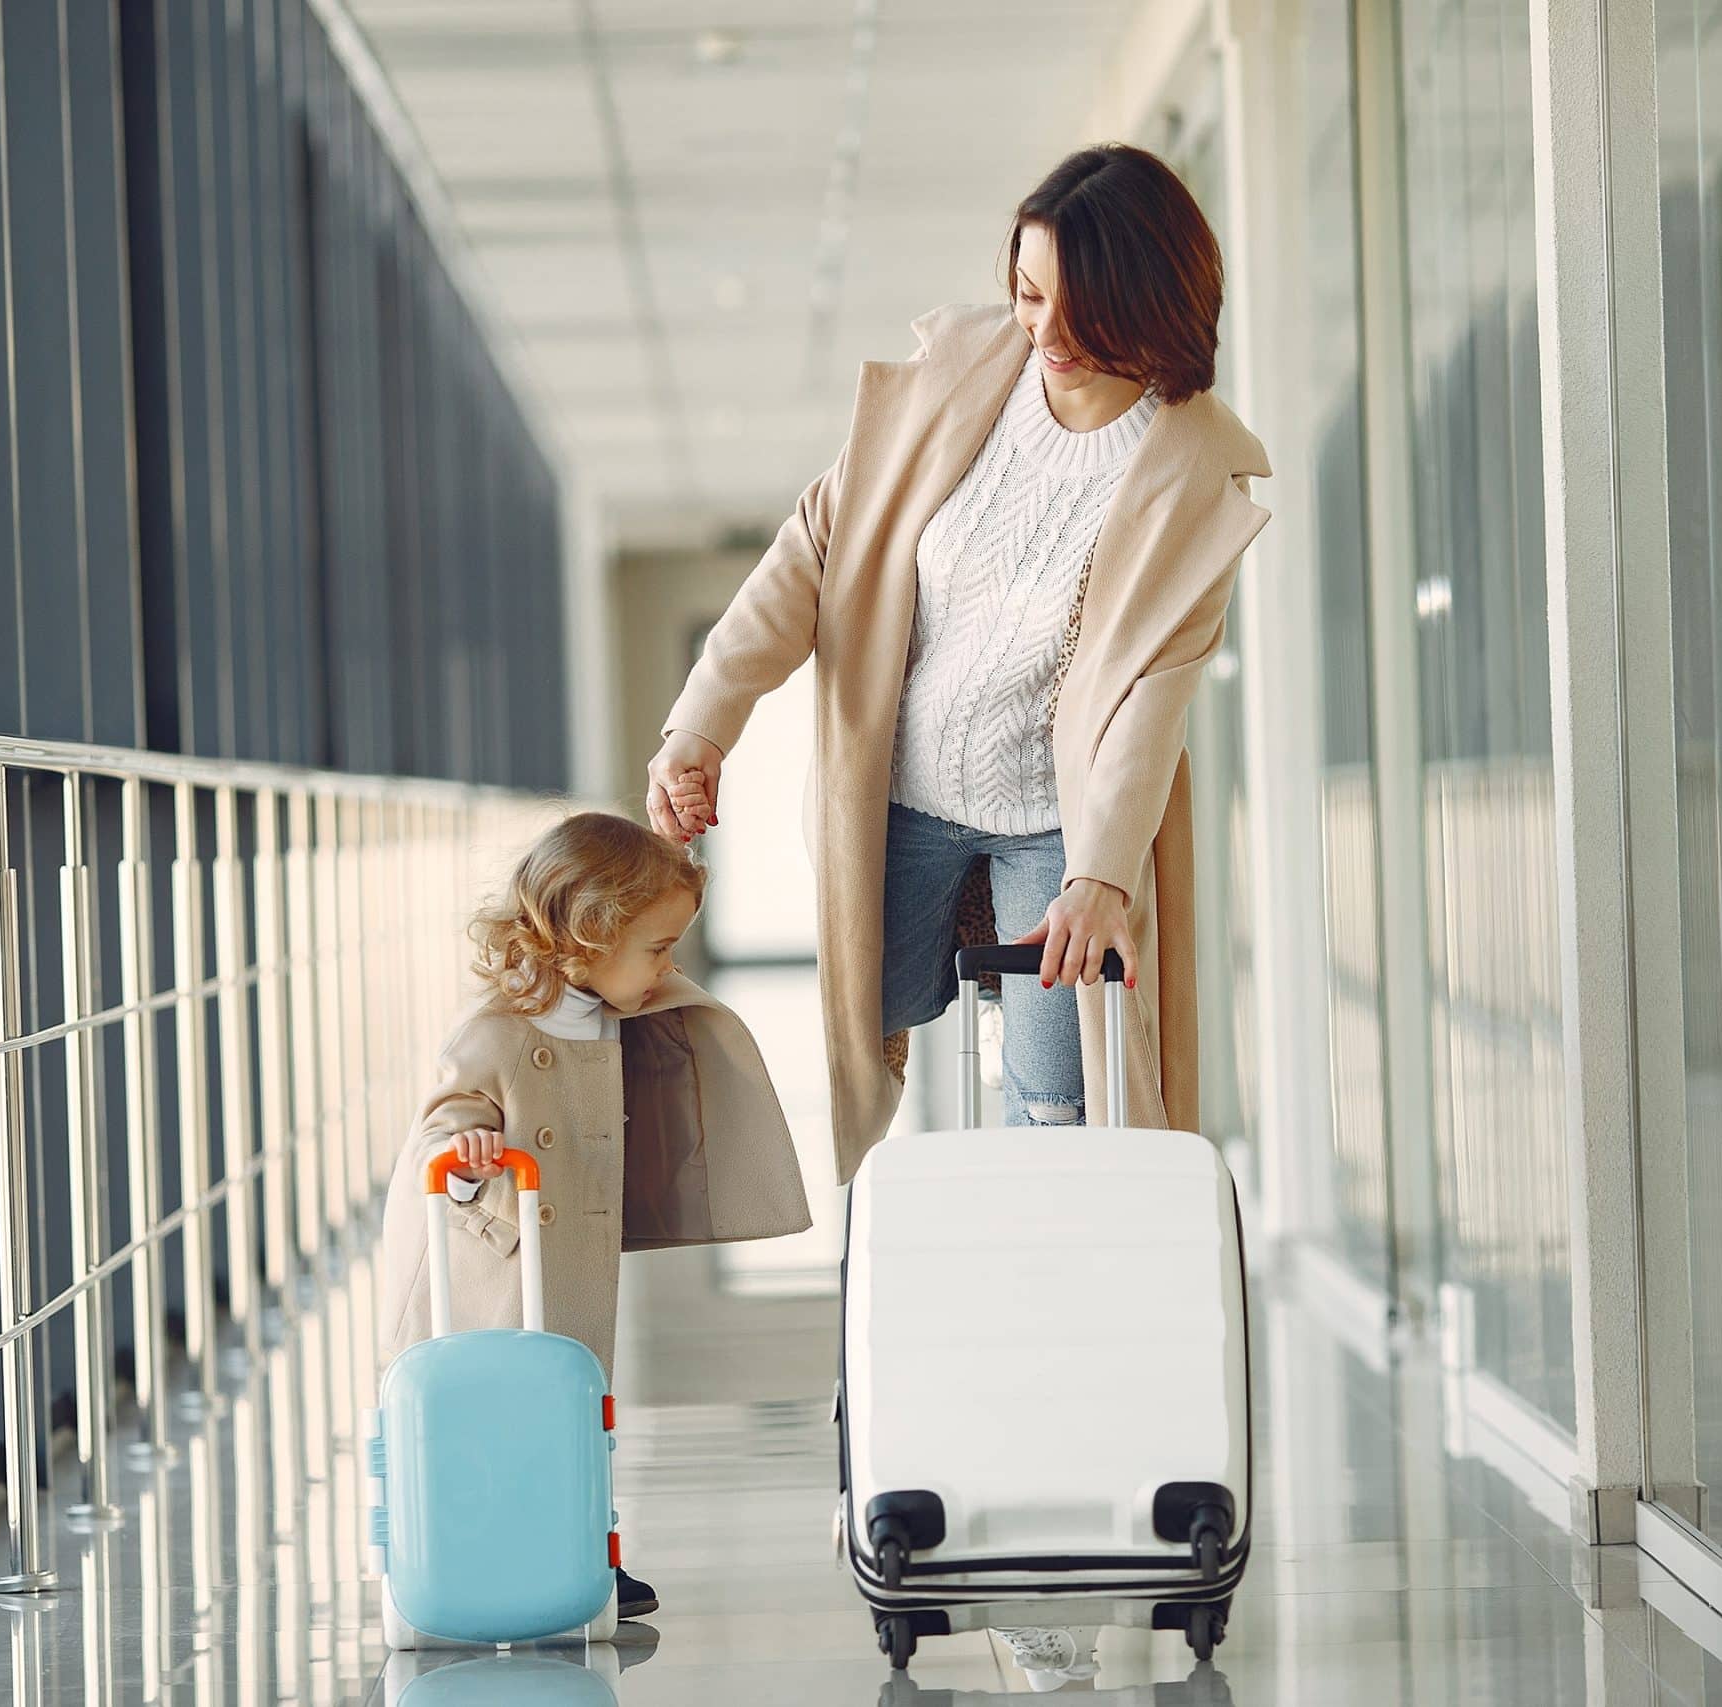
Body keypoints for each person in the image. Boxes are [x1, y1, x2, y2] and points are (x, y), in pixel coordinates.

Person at [646, 142, 1273, 1691]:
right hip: (912, 797)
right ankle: (912, 1390)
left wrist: (1104, 870)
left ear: (1148, 304)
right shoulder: (960, 380)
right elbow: (810, 559)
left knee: (1061, 1108)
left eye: (1071, 304)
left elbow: (1145, 704)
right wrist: (699, 727)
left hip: (1058, 820)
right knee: (878, 1076)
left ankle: (1056, 1436)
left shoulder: (1191, 467)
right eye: (1024, 288)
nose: (1039, 327)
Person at [376, 812, 812, 1620]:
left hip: (570, 1261)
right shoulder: (498, 1031)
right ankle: (483, 1557)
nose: (668, 965)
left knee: (579, 1412)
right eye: (655, 947)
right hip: (501, 1274)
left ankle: (582, 1551)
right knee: (509, 1418)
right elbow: (446, 1117)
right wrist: (468, 1154)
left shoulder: (609, 1012)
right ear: (585, 937)